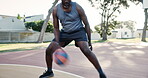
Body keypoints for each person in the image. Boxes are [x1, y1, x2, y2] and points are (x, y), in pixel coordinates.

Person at [39, 0, 107, 78]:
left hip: (79, 31)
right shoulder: (56, 10)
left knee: (86, 50)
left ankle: (101, 73)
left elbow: (86, 24)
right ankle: (49, 71)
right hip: (65, 33)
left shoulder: (77, 7)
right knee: (49, 50)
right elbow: (56, 27)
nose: (67, 1)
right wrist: (57, 42)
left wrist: (89, 41)